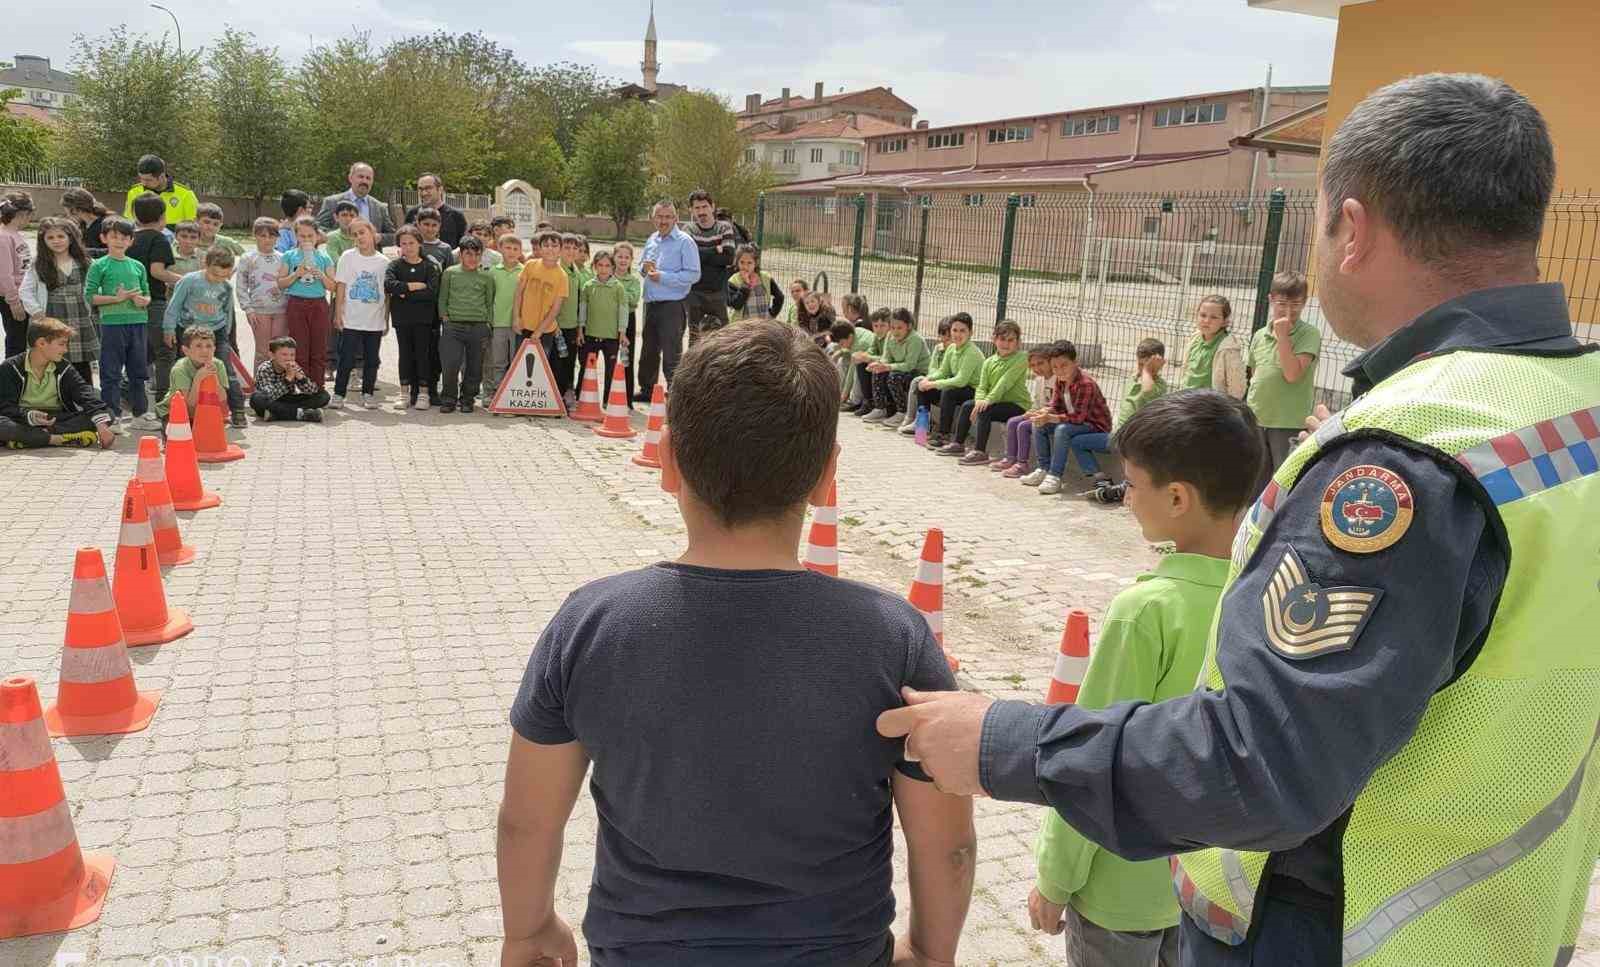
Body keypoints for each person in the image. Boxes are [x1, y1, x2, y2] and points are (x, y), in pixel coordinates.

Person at [875, 73, 1600, 967]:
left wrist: (1002, 742)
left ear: (1354, 228)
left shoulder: (1408, 460)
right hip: (1504, 927)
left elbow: (1261, 759)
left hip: (1325, 934)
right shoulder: (1575, 407)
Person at [499, 320, 976, 967]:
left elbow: (528, 819)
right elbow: (945, 841)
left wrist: (528, 930)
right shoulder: (892, 635)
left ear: (667, 462)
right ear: (825, 474)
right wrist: (931, 950)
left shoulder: (589, 624)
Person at [1029, 390, 1262, 967]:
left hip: (1120, 890)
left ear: (1178, 496)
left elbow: (1091, 754)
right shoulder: (1266, 597)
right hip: (1209, 883)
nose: (1127, 497)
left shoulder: (1147, 611)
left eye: (1133, 485)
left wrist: (1055, 878)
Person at [1066, 337, 1170, 489]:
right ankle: (1099, 478)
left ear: (1160, 364)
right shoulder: (1132, 378)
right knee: (1077, 442)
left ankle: (1127, 487)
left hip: (1137, 439)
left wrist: (1148, 370)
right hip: (1118, 436)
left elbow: (1147, 390)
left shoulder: (1159, 385)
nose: (1143, 369)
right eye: (1140, 364)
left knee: (1131, 457)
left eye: (1148, 366)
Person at [1245, 270, 1320, 482]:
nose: (1288, 311)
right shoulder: (1260, 335)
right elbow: (1253, 373)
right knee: (1255, 480)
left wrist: (1283, 336)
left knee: (1283, 481)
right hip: (1257, 419)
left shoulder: (1309, 334)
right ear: (1270, 300)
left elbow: (1292, 374)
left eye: (1295, 304)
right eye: (1281, 304)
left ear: (1304, 303)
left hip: (1289, 422)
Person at [0, 317, 114, 449]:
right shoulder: (10, 367)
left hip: (55, 420)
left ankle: (30, 438)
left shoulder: (64, 367)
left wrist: (101, 426)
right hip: (22, 418)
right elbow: (5, 406)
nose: (65, 350)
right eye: (61, 344)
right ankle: (56, 439)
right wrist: (28, 415)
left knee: (107, 414)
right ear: (41, 343)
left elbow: (85, 395)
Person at [84, 217, 154, 431]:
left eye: (124, 237)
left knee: (138, 371)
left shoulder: (138, 266)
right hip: (112, 324)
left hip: (138, 322)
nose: (119, 241)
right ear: (104, 238)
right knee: (111, 372)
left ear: (131, 240)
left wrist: (143, 301)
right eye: (114, 236)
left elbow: (147, 294)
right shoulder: (99, 265)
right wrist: (117, 298)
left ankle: (140, 414)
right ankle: (112, 416)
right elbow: (90, 296)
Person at [163, 248, 245, 424]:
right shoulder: (189, 281)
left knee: (225, 369)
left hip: (217, 331)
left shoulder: (226, 287)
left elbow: (228, 312)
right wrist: (168, 329)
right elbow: (174, 305)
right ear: (205, 265)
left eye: (224, 275)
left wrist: (227, 337)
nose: (218, 279)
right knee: (187, 368)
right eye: (215, 274)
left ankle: (236, 409)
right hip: (189, 331)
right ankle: (185, 411)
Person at [1021, 340, 1111, 495]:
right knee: (1039, 424)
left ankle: (1055, 475)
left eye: (1064, 365)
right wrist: (1043, 414)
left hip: (1094, 425)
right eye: (1055, 367)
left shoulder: (1085, 383)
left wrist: (1051, 418)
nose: (1059, 370)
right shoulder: (1060, 380)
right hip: (1074, 423)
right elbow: (1055, 406)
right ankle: (1043, 468)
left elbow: (1078, 418)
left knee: (1062, 430)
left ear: (1075, 363)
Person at [21, 217, 98, 385]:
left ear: (71, 238)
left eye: (61, 236)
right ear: (43, 240)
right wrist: (36, 312)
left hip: (81, 316)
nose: (56, 241)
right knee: (53, 359)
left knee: (81, 361)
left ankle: (84, 400)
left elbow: (98, 286)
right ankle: (54, 399)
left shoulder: (86, 262)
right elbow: (25, 291)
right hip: (52, 316)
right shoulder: (39, 264)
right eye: (50, 237)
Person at [635, 200, 700, 397]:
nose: (663, 221)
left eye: (667, 217)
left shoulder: (685, 242)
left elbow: (693, 274)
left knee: (672, 353)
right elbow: (642, 267)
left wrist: (663, 277)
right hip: (650, 303)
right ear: (653, 218)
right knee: (648, 350)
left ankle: (675, 394)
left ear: (675, 219)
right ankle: (647, 390)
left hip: (672, 305)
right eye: (659, 217)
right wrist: (643, 269)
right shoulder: (652, 239)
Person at [944, 319, 1032, 463]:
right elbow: (982, 386)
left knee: (985, 409)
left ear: (1018, 342)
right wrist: (979, 400)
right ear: (994, 339)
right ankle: (958, 443)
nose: (1006, 344)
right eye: (1002, 339)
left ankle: (980, 451)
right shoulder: (989, 361)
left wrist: (986, 402)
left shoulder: (1021, 358)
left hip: (1017, 405)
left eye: (1011, 340)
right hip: (996, 401)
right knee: (968, 405)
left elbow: (1005, 383)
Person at [330, 219, 391, 410]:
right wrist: (338, 313)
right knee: (346, 358)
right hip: (351, 319)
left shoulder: (384, 262)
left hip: (374, 320)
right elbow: (341, 286)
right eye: (355, 235)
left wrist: (386, 319)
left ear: (372, 232)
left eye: (362, 232)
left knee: (371, 359)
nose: (359, 237)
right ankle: (339, 394)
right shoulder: (347, 257)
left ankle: (368, 393)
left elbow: (387, 294)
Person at [128, 193, 180, 405]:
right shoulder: (159, 239)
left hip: (129, 301)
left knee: (139, 351)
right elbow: (157, 271)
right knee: (165, 352)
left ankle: (129, 393)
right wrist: (185, 279)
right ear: (163, 216)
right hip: (153, 301)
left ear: (134, 216)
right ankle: (164, 401)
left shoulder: (129, 237)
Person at [385, 226, 443, 411]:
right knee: (405, 354)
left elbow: (431, 293)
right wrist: (415, 286)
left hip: (424, 319)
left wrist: (404, 292)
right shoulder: (394, 265)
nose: (408, 247)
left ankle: (423, 393)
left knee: (422, 355)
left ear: (419, 243)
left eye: (411, 243)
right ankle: (404, 393)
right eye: (404, 244)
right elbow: (389, 285)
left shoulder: (429, 266)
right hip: (402, 318)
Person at [436, 236, 494, 414]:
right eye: (468, 254)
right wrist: (444, 317)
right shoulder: (450, 273)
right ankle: (448, 399)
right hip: (453, 326)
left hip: (478, 327)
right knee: (450, 364)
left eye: (477, 254)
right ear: (460, 254)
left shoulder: (487, 276)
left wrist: (488, 323)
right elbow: (443, 297)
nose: (473, 258)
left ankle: (468, 399)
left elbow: (489, 301)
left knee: (474, 366)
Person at [276, 217, 336, 390]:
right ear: (296, 236)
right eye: (302, 236)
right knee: (299, 349)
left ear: (317, 236)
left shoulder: (324, 257)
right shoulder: (289, 256)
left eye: (310, 236)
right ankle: (301, 387)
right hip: (296, 304)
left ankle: (317, 388)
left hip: (318, 305)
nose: (307, 240)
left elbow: (333, 286)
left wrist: (321, 275)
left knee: (318, 349)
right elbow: (280, 283)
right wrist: (296, 274)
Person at [914, 312, 984, 449]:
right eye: (954, 330)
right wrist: (927, 380)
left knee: (949, 391)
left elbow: (961, 380)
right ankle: (921, 430)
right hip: (959, 388)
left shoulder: (972, 352)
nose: (958, 334)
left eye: (962, 331)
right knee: (922, 388)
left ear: (971, 332)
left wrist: (934, 384)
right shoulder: (951, 348)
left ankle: (943, 435)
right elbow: (943, 372)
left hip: (975, 391)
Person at [511, 229, 568, 377]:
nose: (550, 248)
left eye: (554, 245)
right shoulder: (530, 265)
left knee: (539, 368)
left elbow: (555, 309)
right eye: (546, 245)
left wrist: (540, 331)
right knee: (519, 365)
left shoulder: (562, 276)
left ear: (561, 250)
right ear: (540, 248)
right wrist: (516, 318)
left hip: (545, 330)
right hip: (524, 326)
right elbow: (518, 293)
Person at [682, 189, 735, 345]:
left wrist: (699, 253)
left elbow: (728, 257)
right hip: (694, 293)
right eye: (697, 208)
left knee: (723, 340)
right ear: (691, 210)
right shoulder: (688, 229)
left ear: (712, 207)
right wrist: (714, 250)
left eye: (704, 207)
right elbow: (688, 259)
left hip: (717, 292)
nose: (701, 211)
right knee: (695, 339)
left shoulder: (724, 228)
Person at [991, 347, 1052, 477]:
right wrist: (1029, 413)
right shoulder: (1039, 379)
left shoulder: (1056, 379)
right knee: (1013, 421)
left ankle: (1022, 464)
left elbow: (1055, 405)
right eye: (1033, 365)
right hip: (1039, 413)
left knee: (1023, 426)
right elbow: (1037, 402)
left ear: (1049, 362)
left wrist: (1037, 413)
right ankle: (1010, 458)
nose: (1037, 368)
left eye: (1041, 363)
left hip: (1049, 416)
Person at [237, 217, 289, 368]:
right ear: (255, 236)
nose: (267, 240)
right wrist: (248, 309)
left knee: (279, 350)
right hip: (259, 311)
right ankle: (260, 386)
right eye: (262, 235)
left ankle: (279, 385)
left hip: (281, 310)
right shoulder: (248, 258)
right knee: (262, 351)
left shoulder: (283, 258)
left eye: (271, 235)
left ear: (277, 237)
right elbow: (241, 285)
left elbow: (288, 282)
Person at [864, 307, 929, 425]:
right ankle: (880, 409)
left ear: (908, 326)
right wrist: (879, 364)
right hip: (900, 369)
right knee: (878, 371)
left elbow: (910, 365)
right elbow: (886, 357)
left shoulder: (915, 339)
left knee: (893, 377)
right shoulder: (890, 336)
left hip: (917, 372)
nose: (895, 331)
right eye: (893, 327)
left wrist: (888, 367)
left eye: (900, 328)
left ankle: (902, 412)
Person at [155, 325, 230, 425]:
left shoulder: (218, 364)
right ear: (186, 350)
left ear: (214, 349)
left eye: (209, 346)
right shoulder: (180, 369)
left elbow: (222, 400)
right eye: (198, 346)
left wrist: (214, 377)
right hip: (174, 411)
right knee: (182, 434)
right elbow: (189, 407)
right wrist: (198, 379)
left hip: (200, 411)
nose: (205, 351)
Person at [579, 250, 627, 403]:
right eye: (600, 265)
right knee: (587, 367)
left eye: (607, 265)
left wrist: (622, 332)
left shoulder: (618, 287)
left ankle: (608, 400)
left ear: (612, 267)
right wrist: (580, 330)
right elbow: (583, 309)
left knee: (610, 370)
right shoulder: (588, 286)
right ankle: (581, 396)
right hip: (591, 334)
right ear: (594, 266)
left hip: (611, 336)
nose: (603, 269)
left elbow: (623, 310)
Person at [484, 233, 525, 404]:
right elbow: (489, 298)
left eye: (516, 249)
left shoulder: (524, 271)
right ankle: (497, 392)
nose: (511, 252)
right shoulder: (493, 271)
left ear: (520, 251)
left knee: (515, 361)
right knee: (498, 361)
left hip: (518, 325)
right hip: (498, 324)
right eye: (508, 248)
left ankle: (513, 394)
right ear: (500, 248)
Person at [250, 335, 328, 423]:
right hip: (272, 401)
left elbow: (312, 390)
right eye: (284, 354)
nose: (288, 358)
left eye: (292, 355)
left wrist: (300, 377)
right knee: (256, 399)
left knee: (323, 395)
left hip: (288, 400)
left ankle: (277, 415)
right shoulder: (265, 368)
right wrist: (288, 379)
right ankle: (302, 414)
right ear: (272, 355)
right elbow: (269, 395)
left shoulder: (294, 366)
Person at [1180, 295, 1246, 399]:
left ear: (1225, 321)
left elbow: (1237, 387)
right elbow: (1186, 372)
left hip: (1211, 406)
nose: (1206, 321)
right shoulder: (1194, 339)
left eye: (1214, 317)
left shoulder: (1228, 348)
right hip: (1187, 400)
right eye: (1203, 315)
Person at [897, 316, 953, 435]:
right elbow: (932, 367)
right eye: (942, 335)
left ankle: (913, 419)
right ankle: (919, 424)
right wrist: (929, 379)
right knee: (920, 383)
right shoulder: (938, 348)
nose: (945, 339)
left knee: (919, 382)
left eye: (949, 337)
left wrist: (934, 381)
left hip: (946, 384)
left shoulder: (955, 352)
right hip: (936, 380)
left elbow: (948, 373)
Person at [315, 162, 394, 244]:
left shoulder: (380, 207)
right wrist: (339, 237)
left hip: (370, 255)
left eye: (368, 178)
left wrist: (379, 237)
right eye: (361, 177)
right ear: (350, 178)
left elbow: (393, 236)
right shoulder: (332, 202)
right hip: (339, 255)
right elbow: (318, 228)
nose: (364, 181)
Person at [0, 190, 36, 357]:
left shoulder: (13, 235)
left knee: (20, 340)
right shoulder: (3, 237)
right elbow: (4, 274)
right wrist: (14, 302)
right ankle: (10, 381)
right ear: (23, 214)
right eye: (30, 214)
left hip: (21, 294)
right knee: (16, 343)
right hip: (11, 298)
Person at [553, 234, 586, 404]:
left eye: (575, 248)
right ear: (559, 250)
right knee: (557, 363)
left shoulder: (577, 272)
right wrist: (554, 324)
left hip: (572, 326)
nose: (571, 251)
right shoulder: (557, 270)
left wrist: (580, 328)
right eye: (567, 247)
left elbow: (580, 301)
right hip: (556, 326)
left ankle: (567, 392)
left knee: (569, 362)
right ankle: (556, 396)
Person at [121, 155, 198, 226]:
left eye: (148, 180)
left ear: (161, 176)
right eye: (141, 178)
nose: (143, 183)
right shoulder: (134, 192)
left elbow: (193, 226)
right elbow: (129, 222)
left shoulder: (186, 194)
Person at [403, 172, 465, 248]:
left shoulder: (456, 216)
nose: (424, 193)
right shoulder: (412, 213)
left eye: (428, 188)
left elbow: (463, 246)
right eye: (420, 189)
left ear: (440, 189)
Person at [614, 241, 642, 405]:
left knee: (627, 359)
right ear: (614, 258)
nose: (623, 260)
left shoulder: (634, 281)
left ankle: (627, 398)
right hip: (609, 320)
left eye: (627, 257)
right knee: (611, 358)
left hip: (629, 321)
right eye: (620, 256)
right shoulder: (607, 277)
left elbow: (633, 300)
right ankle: (609, 394)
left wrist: (616, 293)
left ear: (631, 260)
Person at [845, 301, 886, 415]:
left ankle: (883, 407)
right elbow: (870, 352)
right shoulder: (876, 337)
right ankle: (868, 402)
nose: (879, 329)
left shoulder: (890, 339)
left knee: (874, 367)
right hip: (882, 364)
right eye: (876, 326)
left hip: (892, 368)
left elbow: (887, 359)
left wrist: (869, 358)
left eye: (882, 326)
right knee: (861, 363)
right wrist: (863, 356)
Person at [724, 243, 783, 322]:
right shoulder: (733, 281)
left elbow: (780, 297)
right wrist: (746, 285)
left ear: (755, 263)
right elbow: (736, 305)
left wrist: (772, 314)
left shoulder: (766, 278)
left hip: (762, 325)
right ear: (737, 262)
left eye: (749, 263)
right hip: (741, 328)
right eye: (742, 262)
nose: (745, 266)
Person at [828, 320, 875, 409]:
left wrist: (844, 395)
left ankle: (854, 401)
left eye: (842, 343)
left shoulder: (860, 343)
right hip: (866, 362)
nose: (841, 346)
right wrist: (840, 352)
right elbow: (849, 350)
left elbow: (851, 371)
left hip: (871, 367)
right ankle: (839, 393)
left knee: (856, 369)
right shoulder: (855, 331)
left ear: (850, 337)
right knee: (842, 360)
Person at [61, 187, 110, 257]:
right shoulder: (83, 225)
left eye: (67, 211)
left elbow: (118, 251)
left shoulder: (107, 224)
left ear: (75, 210)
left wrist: (83, 251)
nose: (68, 215)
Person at [322, 200, 359, 267]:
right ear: (336, 217)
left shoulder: (361, 236)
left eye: (352, 215)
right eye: (344, 215)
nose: (348, 219)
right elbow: (336, 261)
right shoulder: (332, 237)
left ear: (357, 218)